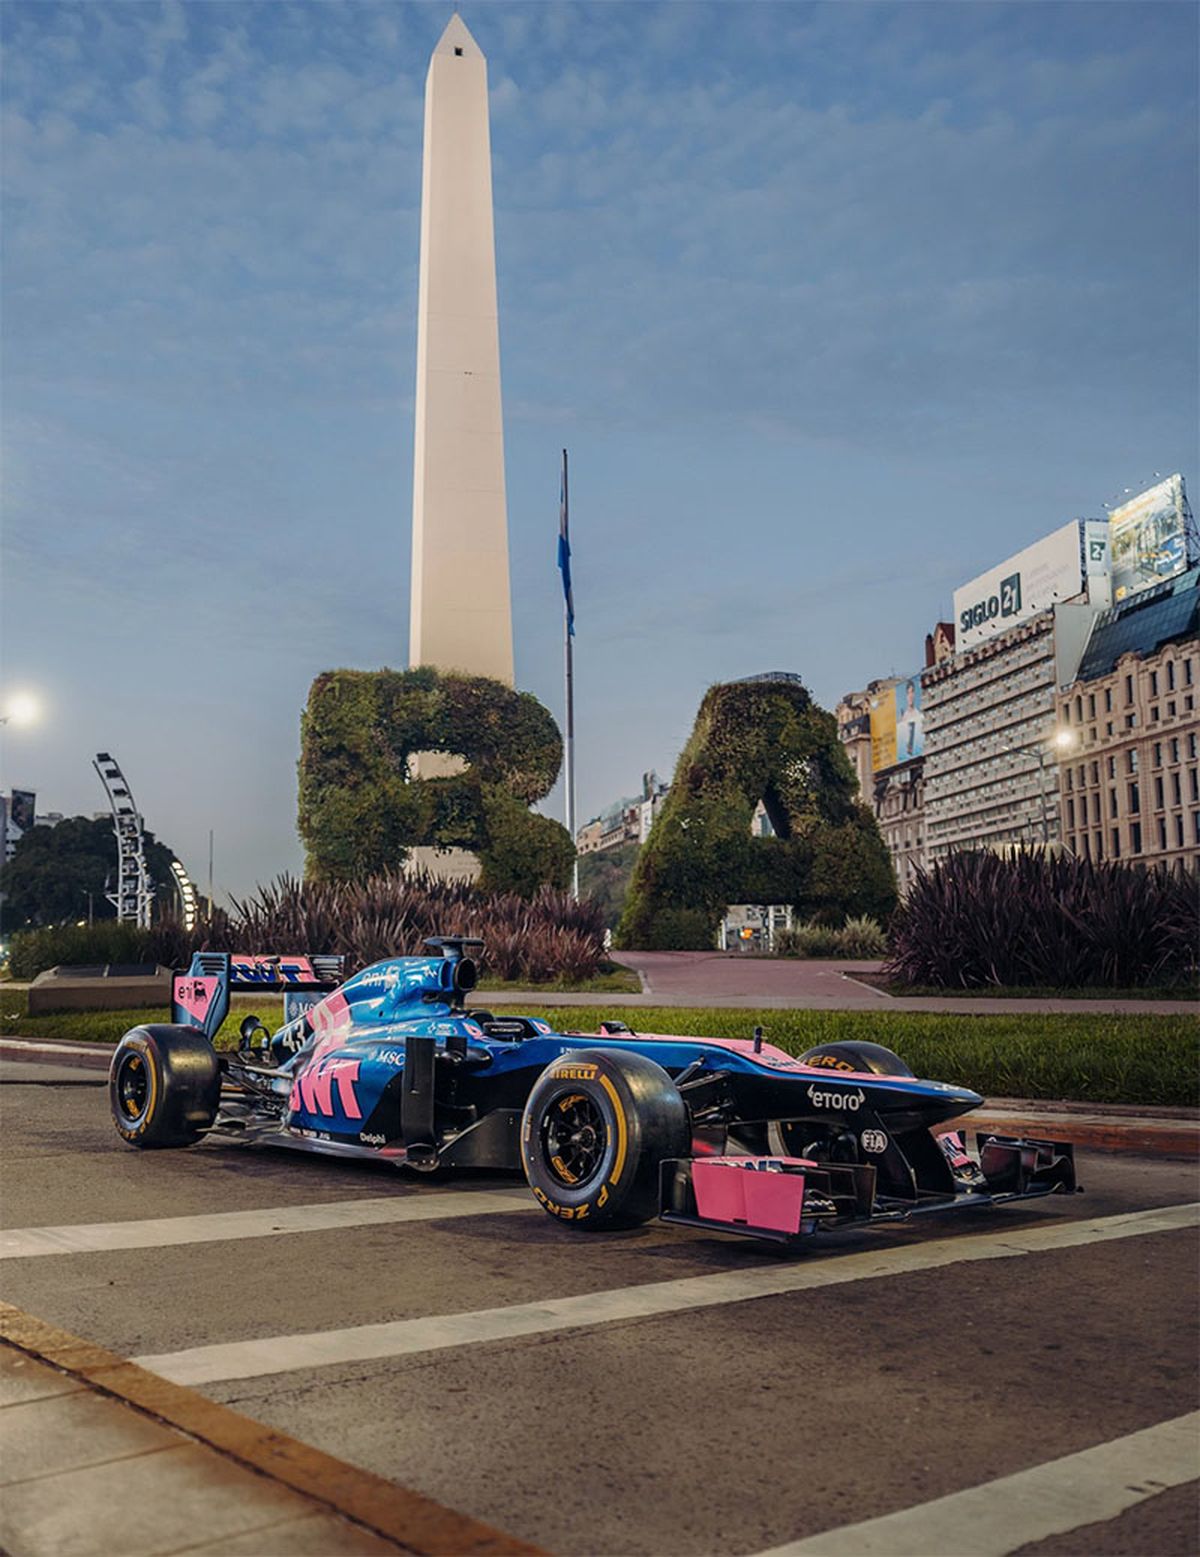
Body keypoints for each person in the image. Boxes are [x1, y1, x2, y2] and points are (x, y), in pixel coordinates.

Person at [897, 680, 924, 758]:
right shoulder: (903, 717)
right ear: (906, 695)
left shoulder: (918, 714)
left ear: (914, 694)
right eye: (908, 693)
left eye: (912, 692)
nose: (910, 696)